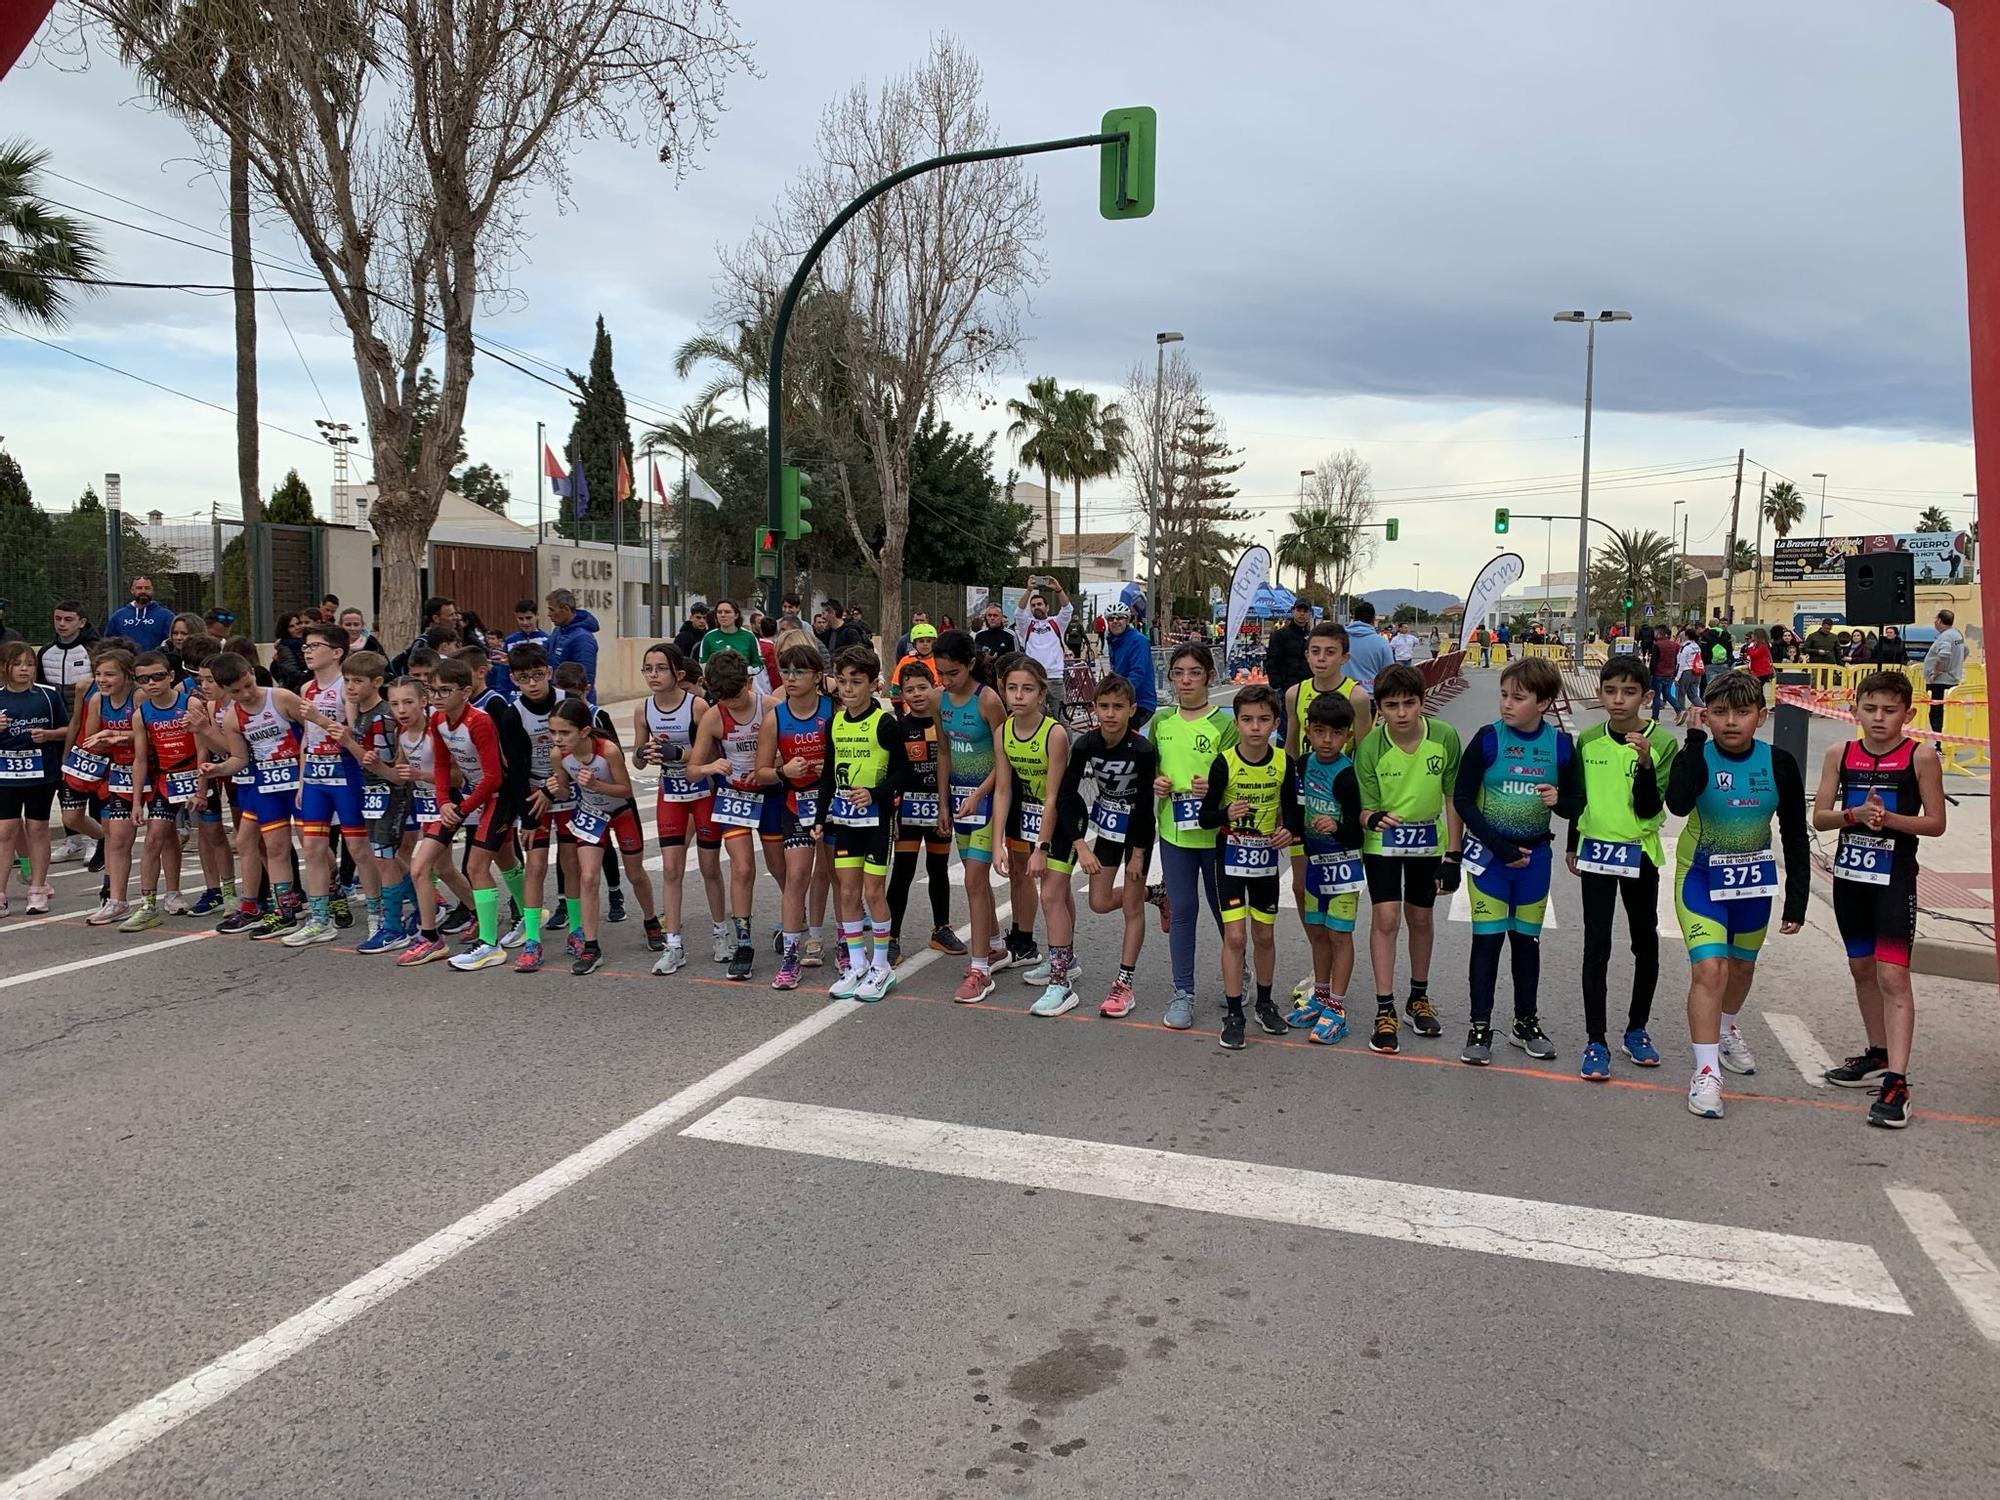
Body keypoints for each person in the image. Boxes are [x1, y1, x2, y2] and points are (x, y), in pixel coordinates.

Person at [1664, 670, 1811, 1120]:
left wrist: (1798, 898)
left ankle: (1726, 1028)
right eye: (1721, 713)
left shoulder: (1779, 763)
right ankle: (1706, 1073)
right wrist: (1691, 741)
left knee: (1742, 970)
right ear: (1706, 715)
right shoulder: (1700, 755)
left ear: (1761, 717)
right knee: (1711, 970)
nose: (1731, 722)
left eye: (1743, 713)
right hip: (1701, 879)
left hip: (1752, 885)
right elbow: (1677, 804)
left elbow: (1792, 832)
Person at [1810, 670, 1948, 1128]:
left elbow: (1935, 823)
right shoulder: (1840, 753)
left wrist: (1888, 819)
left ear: (1908, 714)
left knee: (1894, 976)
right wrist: (1854, 814)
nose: (1879, 719)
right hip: (1851, 878)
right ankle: (1877, 1052)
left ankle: (1898, 1081)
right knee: (1861, 968)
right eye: (1870, 709)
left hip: (1894, 881)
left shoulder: (1920, 756)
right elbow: (1821, 818)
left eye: (1890, 711)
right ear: (1854, 711)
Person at [1451, 655, 1582, 1065]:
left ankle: (1525, 1022)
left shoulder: (1560, 745)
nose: (1506, 704)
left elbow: (1577, 804)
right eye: (1504, 695)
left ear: (1543, 703)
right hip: (1492, 859)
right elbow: (1461, 799)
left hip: (1535, 861)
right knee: (1487, 943)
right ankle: (1479, 1026)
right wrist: (1499, 847)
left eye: (1518, 697)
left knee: (1526, 944)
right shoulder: (1488, 738)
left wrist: (1559, 801)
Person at [1568, 654, 1677, 1078]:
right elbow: (1580, 800)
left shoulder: (1662, 743)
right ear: (1600, 693)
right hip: (1596, 853)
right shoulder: (1589, 740)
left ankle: (1637, 1029)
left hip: (1640, 854)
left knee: (1643, 941)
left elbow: (1652, 805)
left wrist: (1646, 764)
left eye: (1629, 692)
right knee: (1597, 946)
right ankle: (1596, 1040)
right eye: (1610, 691)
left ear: (1646, 697)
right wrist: (1573, 846)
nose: (1618, 700)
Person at [1355, 661, 1462, 1054]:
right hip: (1383, 843)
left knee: (1420, 917)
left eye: (1409, 704)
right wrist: (1374, 817)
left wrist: (1454, 854)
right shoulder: (1369, 747)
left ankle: (1418, 998)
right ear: (1379, 709)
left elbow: (1453, 797)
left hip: (1428, 841)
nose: (1401, 713)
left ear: (1422, 702)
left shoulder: (1445, 737)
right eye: (1391, 706)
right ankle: (1384, 1007)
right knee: (1385, 917)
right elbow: (1363, 810)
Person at [1050, 672, 1163, 1019]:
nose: (1111, 714)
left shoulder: (1143, 750)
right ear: (1095, 708)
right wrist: (1080, 845)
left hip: (1138, 830)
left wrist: (1140, 855)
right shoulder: (1086, 744)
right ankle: (1155, 893)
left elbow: (1146, 805)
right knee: (1098, 902)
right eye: (1104, 706)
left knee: (1130, 905)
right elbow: (1067, 795)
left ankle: (1124, 983)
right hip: (1109, 829)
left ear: (1131, 710)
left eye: (1118, 707)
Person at [1198, 682, 1303, 1049]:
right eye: (1247, 720)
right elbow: (1205, 816)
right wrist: (1227, 812)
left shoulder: (1283, 763)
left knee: (1264, 936)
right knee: (1236, 937)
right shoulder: (1224, 762)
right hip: (1229, 858)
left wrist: (1287, 831)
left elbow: (1294, 813)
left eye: (1263, 720)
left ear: (1276, 722)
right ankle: (1234, 1012)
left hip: (1264, 863)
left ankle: (1264, 1002)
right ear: (1237, 723)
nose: (1255, 727)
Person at [1149, 641, 1235, 1030]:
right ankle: (1183, 992)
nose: (1186, 680)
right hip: (1174, 833)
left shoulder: (1225, 724)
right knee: (1183, 911)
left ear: (1209, 676)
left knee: (1224, 913)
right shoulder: (1162, 721)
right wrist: (1158, 783)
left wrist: (1213, 792)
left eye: (1194, 673)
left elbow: (1241, 778)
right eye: (1178, 673)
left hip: (1217, 836)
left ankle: (1240, 974)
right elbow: (1149, 768)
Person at [816, 644, 910, 1002]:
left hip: (876, 819)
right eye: (842, 681)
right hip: (844, 819)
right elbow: (828, 772)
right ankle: (856, 964)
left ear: (874, 684)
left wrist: (874, 792)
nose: (848, 688)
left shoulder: (885, 722)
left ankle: (881, 966)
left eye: (856, 681)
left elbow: (903, 771)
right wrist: (820, 816)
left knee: (873, 892)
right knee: (847, 891)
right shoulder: (836, 722)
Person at [934, 630, 1015, 1001]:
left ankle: (980, 969)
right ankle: (996, 944)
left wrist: (978, 795)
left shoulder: (989, 701)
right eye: (941, 674)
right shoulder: (941, 701)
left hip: (985, 802)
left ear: (969, 664)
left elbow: (1005, 760)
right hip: (959, 801)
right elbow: (945, 754)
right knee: (976, 883)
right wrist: (944, 803)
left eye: (953, 673)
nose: (947, 681)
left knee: (972, 882)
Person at [1285, 691, 1365, 1043]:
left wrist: (1338, 828)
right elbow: (1297, 806)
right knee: (1317, 931)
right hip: (1315, 862)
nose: (1327, 740)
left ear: (1348, 734)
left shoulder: (1348, 775)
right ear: (1308, 730)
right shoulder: (1303, 764)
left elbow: (1357, 831)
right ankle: (1319, 996)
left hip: (1344, 864)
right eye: (1319, 732)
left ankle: (1337, 1007)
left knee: (1339, 934)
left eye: (1335, 733)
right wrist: (1289, 829)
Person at [995, 653, 1072, 1009]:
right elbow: (1003, 789)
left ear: (1042, 693)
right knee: (1056, 891)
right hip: (1031, 814)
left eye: (1027, 689)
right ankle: (1066, 959)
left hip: (1063, 817)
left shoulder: (1054, 733)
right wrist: (997, 842)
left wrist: (1041, 845)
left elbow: (1054, 796)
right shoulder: (1003, 732)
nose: (1019, 695)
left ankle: (1061, 984)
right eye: (1012, 688)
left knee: (1051, 894)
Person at [545, 699, 642, 976]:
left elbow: (626, 790)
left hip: (621, 811)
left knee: (635, 875)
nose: (558, 739)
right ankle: (591, 945)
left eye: (564, 733)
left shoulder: (608, 751)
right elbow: (564, 791)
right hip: (591, 813)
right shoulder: (558, 756)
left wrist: (597, 784)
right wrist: (556, 788)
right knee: (588, 877)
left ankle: (651, 922)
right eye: (553, 732)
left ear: (584, 732)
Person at [687, 649, 767, 981]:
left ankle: (793, 922)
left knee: (782, 868)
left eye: (736, 696)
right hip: (734, 796)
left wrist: (770, 770)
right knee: (743, 867)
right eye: (723, 698)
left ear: (749, 683)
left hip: (770, 794)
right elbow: (692, 770)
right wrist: (710, 766)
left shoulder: (769, 707)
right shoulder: (714, 717)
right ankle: (744, 942)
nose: (731, 704)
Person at [885, 659, 958, 973]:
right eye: (909, 689)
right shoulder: (897, 728)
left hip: (940, 807)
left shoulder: (947, 723)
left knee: (939, 868)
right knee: (901, 873)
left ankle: (940, 929)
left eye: (922, 688)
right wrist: (892, 813)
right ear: (901, 693)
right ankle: (891, 937)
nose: (916, 694)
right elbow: (888, 773)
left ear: (935, 687)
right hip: (908, 812)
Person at [0, 639, 71, 915]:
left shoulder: (47, 695)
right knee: (6, 831)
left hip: (41, 774)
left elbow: (67, 728)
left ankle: (37, 888)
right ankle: (2, 892)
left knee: (38, 829)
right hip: (5, 775)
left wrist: (50, 735)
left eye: (29, 664)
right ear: (4, 668)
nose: (24, 669)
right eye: (16, 664)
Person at [1013, 578, 1073, 711]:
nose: (1036, 607)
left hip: (1055, 677)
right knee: (1035, 715)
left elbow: (1067, 609)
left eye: (1039, 604)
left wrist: (1058, 588)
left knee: (1061, 717)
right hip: (1034, 677)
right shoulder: (1027, 625)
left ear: (1047, 607)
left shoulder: (1056, 622)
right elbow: (1018, 612)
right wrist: (1029, 590)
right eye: (1033, 605)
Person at [1099, 602, 1157, 727]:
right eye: (1111, 618)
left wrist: (1118, 693)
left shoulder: (1138, 640)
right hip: (1123, 700)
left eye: (1120, 617)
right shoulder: (1113, 640)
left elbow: (1138, 672)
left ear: (1128, 619)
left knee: (1124, 738)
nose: (1115, 621)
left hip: (1141, 702)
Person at [1921, 608, 1968, 735]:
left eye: (1935, 619)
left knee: (1937, 712)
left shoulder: (1945, 637)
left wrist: (1936, 672)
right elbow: (1966, 650)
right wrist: (1956, 665)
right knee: (1949, 713)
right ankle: (1947, 742)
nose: (1934, 621)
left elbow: (1944, 655)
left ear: (1939, 621)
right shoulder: (1956, 634)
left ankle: (1938, 743)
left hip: (1940, 681)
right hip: (1952, 679)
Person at [544, 589, 601, 688]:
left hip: (573, 700)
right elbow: (542, 652)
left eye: (552, 609)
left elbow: (585, 680)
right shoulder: (558, 631)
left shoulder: (583, 638)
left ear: (565, 609)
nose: (549, 614)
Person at [1263, 599, 1313, 708]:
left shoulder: (1313, 637)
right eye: (1299, 610)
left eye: (1305, 611)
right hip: (1285, 689)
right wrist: (1277, 685)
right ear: (1293, 611)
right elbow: (1271, 661)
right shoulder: (1280, 635)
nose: (1302, 613)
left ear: (1309, 613)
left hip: (1308, 688)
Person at [106, 576, 172, 653]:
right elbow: (109, 643)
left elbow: (172, 641)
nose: (143, 591)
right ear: (132, 590)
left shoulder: (166, 616)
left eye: (147, 588)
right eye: (139, 588)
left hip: (156, 662)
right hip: (127, 662)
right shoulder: (118, 616)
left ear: (152, 590)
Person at [1344, 600, 1394, 689]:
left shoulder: (1340, 639)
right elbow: (1389, 673)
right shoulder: (1382, 643)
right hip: (1370, 694)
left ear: (1354, 617)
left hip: (1343, 694)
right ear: (1373, 619)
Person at [700, 598, 761, 667]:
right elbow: (703, 664)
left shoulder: (749, 636)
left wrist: (743, 672)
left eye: (727, 612)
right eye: (719, 612)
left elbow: (758, 664)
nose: (723, 615)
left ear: (736, 615)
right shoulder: (708, 637)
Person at [891, 623, 942, 700]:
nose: (925, 644)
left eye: (928, 641)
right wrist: (898, 708)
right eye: (921, 641)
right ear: (914, 644)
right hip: (910, 706)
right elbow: (896, 687)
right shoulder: (906, 660)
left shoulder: (940, 660)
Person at [1647, 626, 1681, 723]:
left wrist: (1650, 673)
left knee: (1656, 696)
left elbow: (1654, 661)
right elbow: (1676, 659)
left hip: (1658, 673)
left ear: (1659, 634)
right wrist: (1675, 672)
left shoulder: (1657, 645)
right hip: (1670, 673)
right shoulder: (1675, 645)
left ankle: (1655, 717)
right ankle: (1679, 710)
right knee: (1667, 694)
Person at [270, 612, 309, 691]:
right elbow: (292, 671)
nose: (297, 627)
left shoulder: (306, 641)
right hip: (295, 689)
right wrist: (309, 679)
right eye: (291, 626)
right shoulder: (285, 647)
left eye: (298, 623)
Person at [1744, 628, 1774, 702]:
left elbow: (1754, 655)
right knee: (1759, 690)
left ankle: (1761, 706)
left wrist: (1749, 648)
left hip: (1761, 672)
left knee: (1758, 691)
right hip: (1759, 671)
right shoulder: (1760, 646)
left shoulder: (1762, 646)